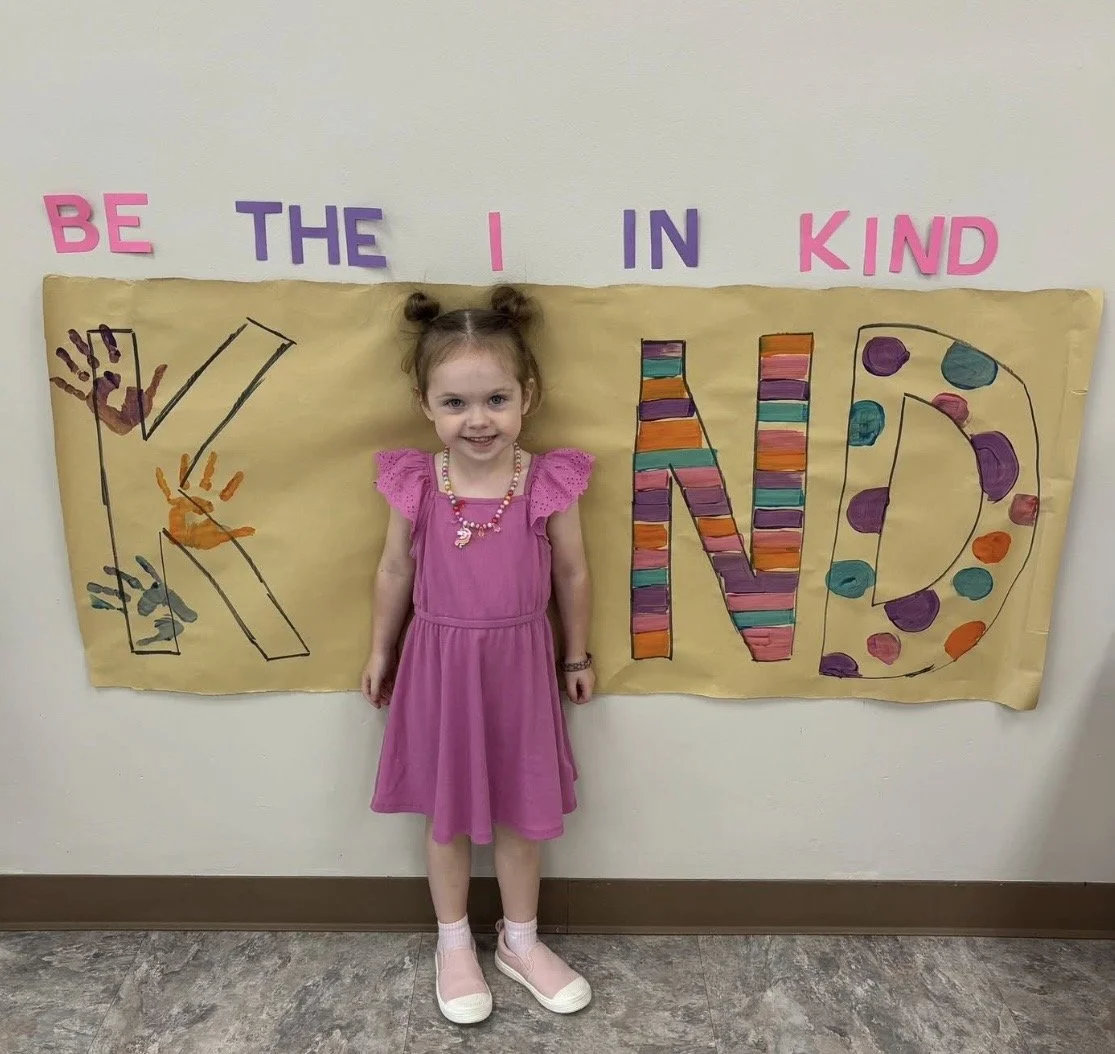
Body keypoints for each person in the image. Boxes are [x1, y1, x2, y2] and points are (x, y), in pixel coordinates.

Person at [361, 284, 596, 1025]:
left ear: (526, 396)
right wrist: (380, 649)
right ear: (425, 404)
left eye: (495, 398)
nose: (478, 420)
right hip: (437, 665)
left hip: (521, 666)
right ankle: (454, 942)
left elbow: (571, 573)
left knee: (525, 812)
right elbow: (394, 570)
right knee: (446, 814)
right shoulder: (416, 483)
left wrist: (576, 657)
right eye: (456, 403)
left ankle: (519, 941)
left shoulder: (546, 482)